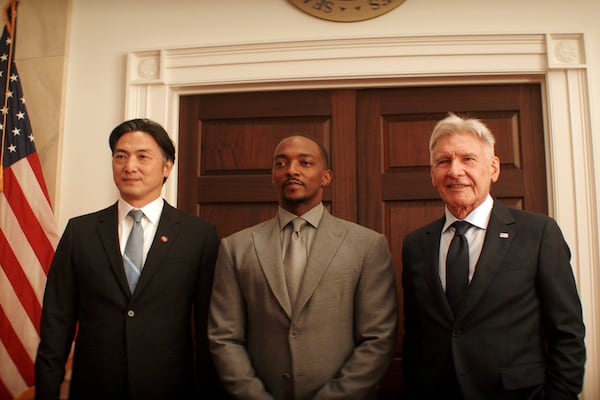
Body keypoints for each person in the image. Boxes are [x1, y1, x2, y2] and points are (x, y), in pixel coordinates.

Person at [401, 113, 586, 399]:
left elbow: (567, 332)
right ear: (432, 174)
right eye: (443, 161)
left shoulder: (537, 233)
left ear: (494, 168)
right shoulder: (416, 244)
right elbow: (415, 335)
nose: (455, 171)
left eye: (468, 159)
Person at [35, 118, 223, 399]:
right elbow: (56, 322)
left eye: (142, 156)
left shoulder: (199, 235)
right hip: (94, 387)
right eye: (120, 156)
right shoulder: (80, 232)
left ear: (167, 166)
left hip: (170, 388)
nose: (129, 166)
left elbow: (210, 327)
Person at [208, 134, 398, 399]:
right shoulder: (236, 248)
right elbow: (224, 337)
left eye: (305, 163)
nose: (292, 170)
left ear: (326, 177)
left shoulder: (367, 245)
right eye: (281, 164)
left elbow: (378, 337)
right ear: (273, 176)